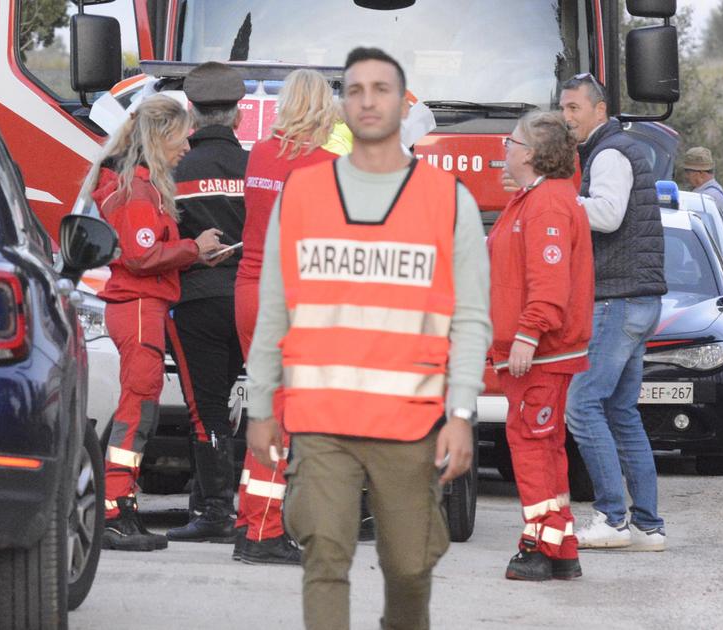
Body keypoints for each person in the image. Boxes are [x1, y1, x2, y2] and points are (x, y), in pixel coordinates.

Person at [245, 47, 491, 630]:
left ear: (402, 105)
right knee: (324, 555)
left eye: (382, 89)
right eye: (355, 90)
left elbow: (473, 318)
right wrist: (260, 404)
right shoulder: (302, 195)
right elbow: (274, 309)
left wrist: (460, 413)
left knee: (409, 567)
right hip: (321, 423)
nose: (368, 101)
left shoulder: (446, 199)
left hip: (408, 425)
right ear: (341, 108)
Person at [77, 94, 225, 551]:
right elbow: (141, 256)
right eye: (181, 139)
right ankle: (115, 508)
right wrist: (192, 250)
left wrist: (191, 254)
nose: (186, 148)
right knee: (137, 409)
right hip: (141, 305)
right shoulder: (138, 192)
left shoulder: (139, 187)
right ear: (160, 137)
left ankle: (120, 507)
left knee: (140, 409)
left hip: (144, 305)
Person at [232, 68, 347, 565]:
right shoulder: (326, 166)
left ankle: (253, 521)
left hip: (248, 290)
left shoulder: (258, 152)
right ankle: (260, 531)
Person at [558, 72, 668, 551]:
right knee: (621, 412)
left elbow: (606, 214)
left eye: (574, 109)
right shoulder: (619, 149)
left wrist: (560, 204)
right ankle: (647, 526)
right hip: (638, 299)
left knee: (581, 406)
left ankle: (611, 518)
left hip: (617, 300)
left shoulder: (608, 153)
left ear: (599, 111)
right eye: (562, 109)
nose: (566, 118)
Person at [489, 111, 593, 581]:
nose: (503, 149)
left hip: (541, 353)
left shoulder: (547, 205)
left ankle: (536, 547)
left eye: (510, 142)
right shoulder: (535, 199)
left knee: (532, 451)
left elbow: (548, 286)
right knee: (545, 450)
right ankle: (560, 546)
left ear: (530, 153)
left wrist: (528, 334)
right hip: (538, 352)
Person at [165, 61, 246, 544]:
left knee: (207, 406)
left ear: (191, 114)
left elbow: (159, 236)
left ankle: (215, 507)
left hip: (194, 300)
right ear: (237, 115)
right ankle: (222, 497)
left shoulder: (174, 169)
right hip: (250, 300)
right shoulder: (256, 167)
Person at [683, 146, 723, 223]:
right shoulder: (710, 193)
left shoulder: (708, 198)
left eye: (688, 172)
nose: (686, 176)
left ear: (700, 173)